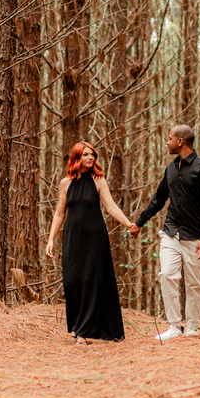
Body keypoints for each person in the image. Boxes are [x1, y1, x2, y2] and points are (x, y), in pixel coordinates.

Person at [128, 124, 200, 341]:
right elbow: (159, 199)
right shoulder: (170, 169)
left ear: (180, 141)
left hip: (194, 236)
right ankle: (175, 326)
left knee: (194, 283)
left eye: (169, 139)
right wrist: (139, 222)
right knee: (167, 275)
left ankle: (192, 327)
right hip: (170, 232)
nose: (167, 143)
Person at [46, 141, 134, 345]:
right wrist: (51, 239)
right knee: (71, 281)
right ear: (76, 157)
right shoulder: (65, 183)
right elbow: (59, 213)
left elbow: (111, 207)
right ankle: (77, 324)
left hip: (95, 239)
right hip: (72, 238)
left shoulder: (98, 180)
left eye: (92, 154)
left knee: (89, 282)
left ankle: (83, 333)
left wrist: (127, 223)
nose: (90, 158)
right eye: (85, 154)